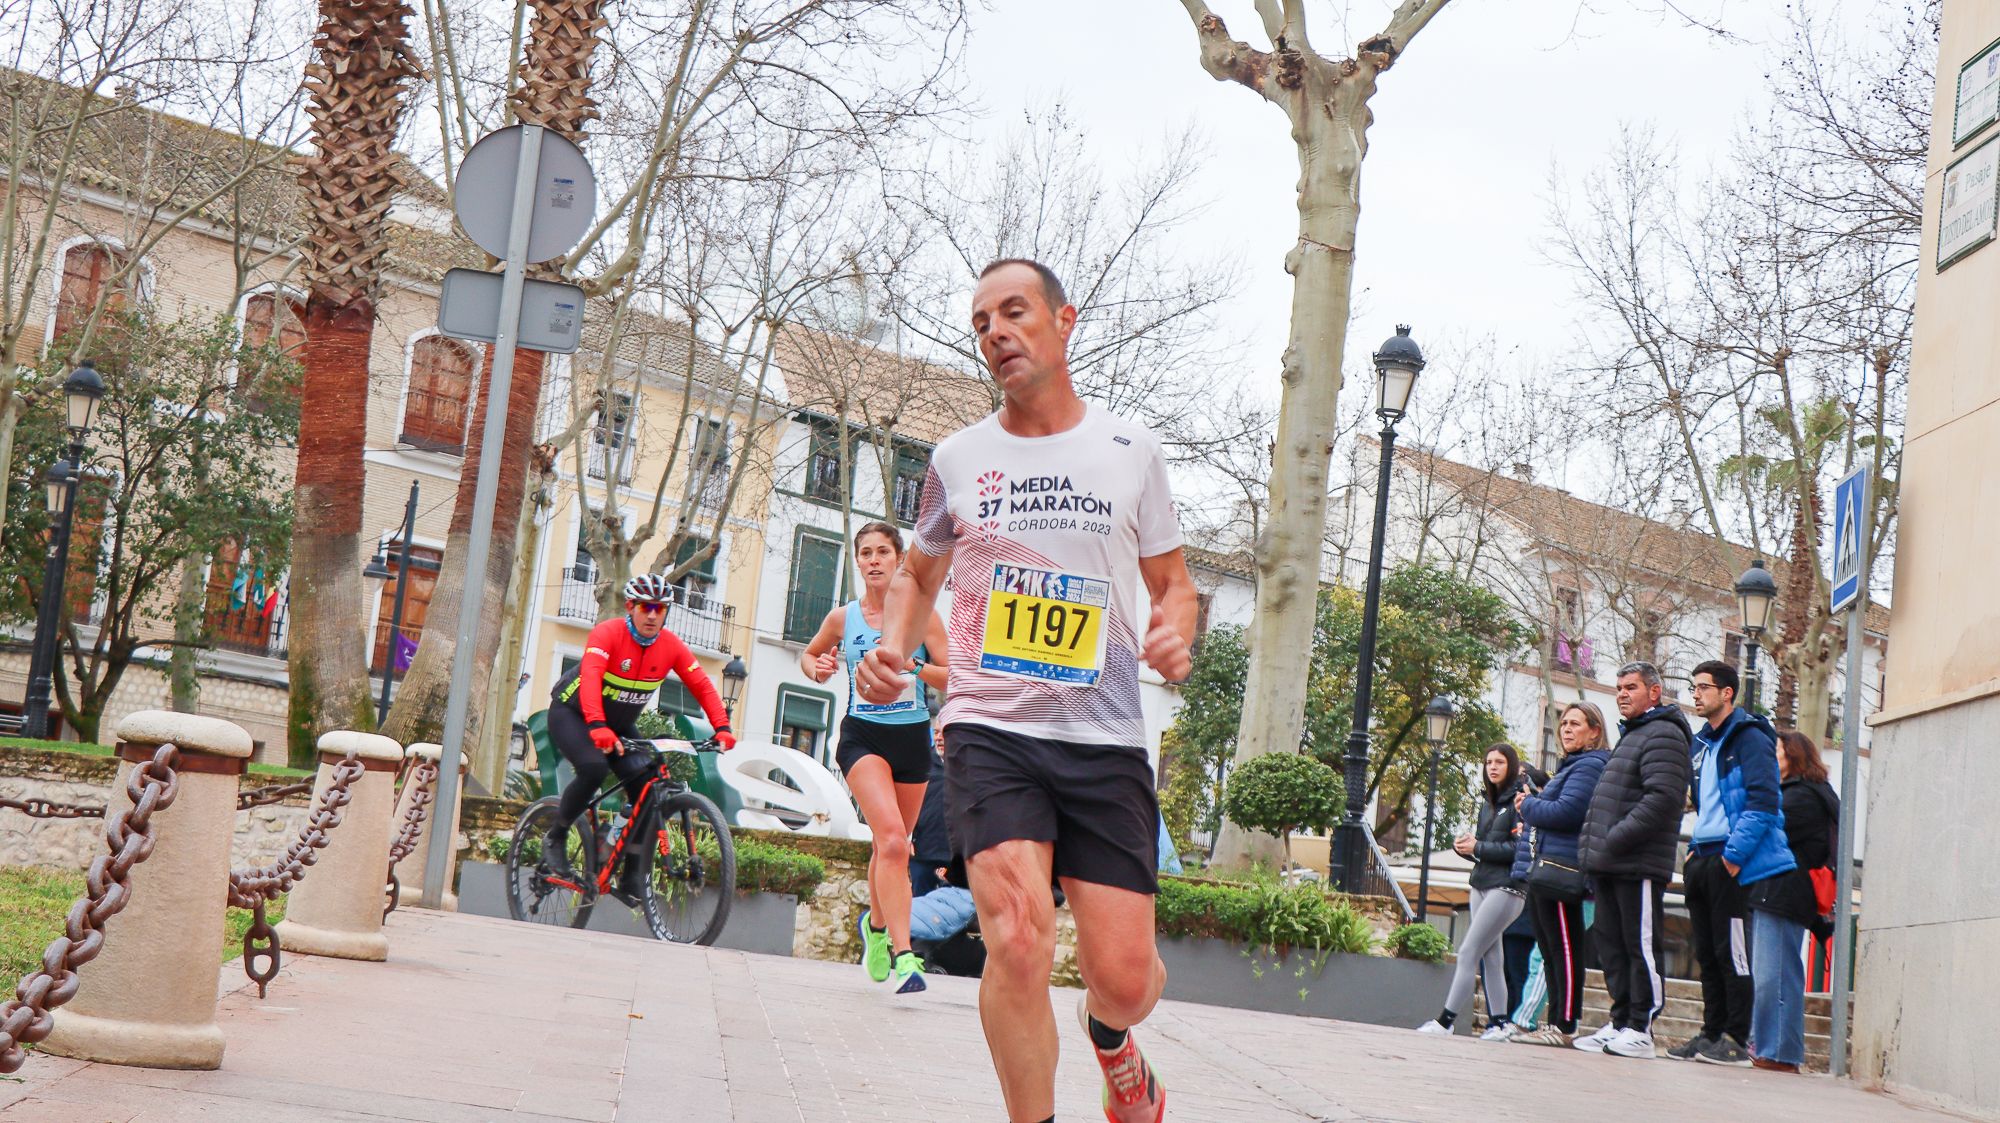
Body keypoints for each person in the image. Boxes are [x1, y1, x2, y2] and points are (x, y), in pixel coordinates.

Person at [857, 257, 1196, 1123]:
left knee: (1126, 979)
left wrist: (1176, 627)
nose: (996, 331)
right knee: (1014, 935)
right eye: (981, 323)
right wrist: (893, 649)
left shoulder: (1131, 452)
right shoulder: (959, 458)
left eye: (1014, 312)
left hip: (1105, 735)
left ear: (1064, 319)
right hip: (989, 728)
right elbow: (919, 576)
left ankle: (1111, 1037)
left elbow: (1174, 582)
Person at [800, 521, 950, 995]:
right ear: (858, 561)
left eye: (883, 551)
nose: (873, 560)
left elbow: (953, 678)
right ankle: (906, 958)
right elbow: (811, 655)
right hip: (862, 737)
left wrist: (915, 666)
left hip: (912, 741)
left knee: (896, 845)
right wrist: (819, 666)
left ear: (900, 559)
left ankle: (877, 932)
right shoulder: (844, 618)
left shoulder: (923, 617)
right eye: (865, 553)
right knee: (890, 841)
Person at [544, 574, 737, 899]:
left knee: (648, 786)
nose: (652, 615)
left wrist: (722, 727)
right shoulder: (608, 634)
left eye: (659, 609)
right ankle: (557, 834)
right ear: (631, 606)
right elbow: (590, 677)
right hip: (574, 715)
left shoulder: (670, 646)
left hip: (618, 726)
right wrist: (597, 726)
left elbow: (702, 685)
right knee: (594, 768)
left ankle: (632, 873)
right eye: (646, 607)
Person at [1669, 659, 1793, 1067]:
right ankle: (1711, 1034)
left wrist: (1734, 858)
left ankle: (1737, 1038)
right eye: (1694, 688)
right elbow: (1701, 801)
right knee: (1706, 952)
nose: (1697, 694)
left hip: (1729, 859)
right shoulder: (1701, 743)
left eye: (1704, 687)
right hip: (1701, 857)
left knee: (1733, 952)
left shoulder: (1751, 737)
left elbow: (1764, 800)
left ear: (1727, 693)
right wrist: (1693, 851)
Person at [1575, 662, 1691, 1059]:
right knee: (1611, 944)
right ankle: (1621, 1019)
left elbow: (1662, 799)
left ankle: (1641, 1027)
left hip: (1637, 861)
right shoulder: (1634, 735)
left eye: (1631, 687)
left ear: (1654, 693)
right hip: (1610, 861)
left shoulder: (1664, 735)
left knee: (1640, 945)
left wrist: (1614, 838)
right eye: (1619, 688)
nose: (1622, 694)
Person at [1510, 702, 1611, 1047]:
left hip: (1565, 870)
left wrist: (1529, 806)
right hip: (1548, 866)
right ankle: (1553, 1023)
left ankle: (1565, 1025)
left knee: (1564, 948)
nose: (1566, 729)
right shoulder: (1573, 767)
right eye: (1564, 723)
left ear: (1595, 731)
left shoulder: (1590, 766)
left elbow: (1568, 812)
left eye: (1575, 724)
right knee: (1551, 949)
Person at [1418, 744, 1529, 1040]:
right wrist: (1467, 849)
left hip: (1506, 888)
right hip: (1481, 883)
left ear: (1512, 766)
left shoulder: (1520, 802)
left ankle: (1445, 1022)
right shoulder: (1487, 804)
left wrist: (1477, 847)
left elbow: (1520, 850)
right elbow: (1487, 849)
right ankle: (1499, 1023)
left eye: (1499, 762)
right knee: (1491, 957)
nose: (1492, 767)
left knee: (1468, 952)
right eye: (1488, 761)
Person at [1747, 730, 1839, 1074]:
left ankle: (1781, 1053)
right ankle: (1766, 1046)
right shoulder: (1796, 793)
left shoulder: (1801, 797)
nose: (1769, 758)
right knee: (1770, 974)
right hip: (1774, 892)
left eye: (1776, 751)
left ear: (1794, 757)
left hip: (1785, 893)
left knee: (1778, 976)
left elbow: (1767, 835)